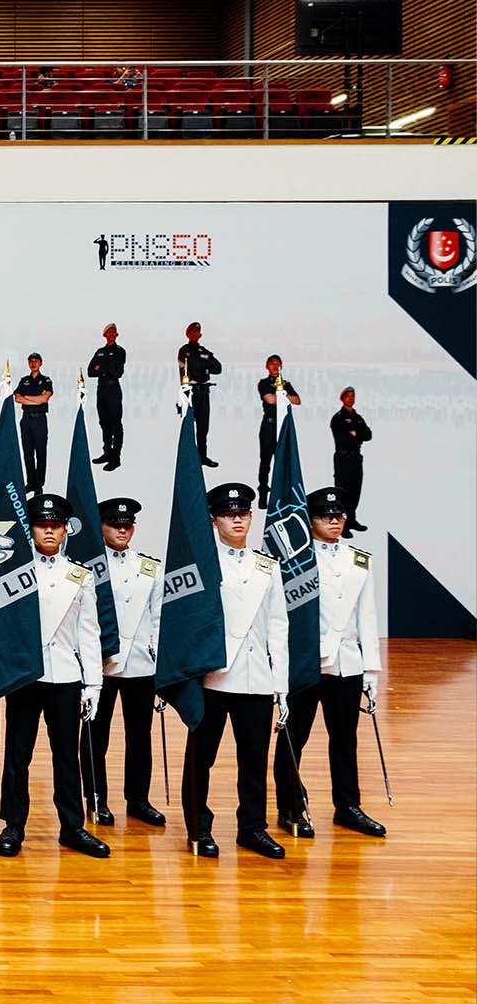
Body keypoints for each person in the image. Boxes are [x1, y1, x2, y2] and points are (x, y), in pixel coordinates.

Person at [0, 493, 108, 859]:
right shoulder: (14, 572)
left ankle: (72, 827)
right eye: (43, 525)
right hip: (25, 674)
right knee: (18, 753)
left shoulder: (80, 575)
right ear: (32, 529)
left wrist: (94, 682)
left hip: (66, 675)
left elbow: (89, 631)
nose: (49, 531)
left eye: (56, 525)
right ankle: (13, 824)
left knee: (66, 756)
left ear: (65, 530)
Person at [182, 482, 290, 860]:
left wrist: (281, 686)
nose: (238, 520)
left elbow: (278, 626)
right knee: (201, 758)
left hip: (255, 675)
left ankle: (252, 828)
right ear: (213, 520)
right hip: (212, 676)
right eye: (229, 514)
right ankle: (198, 827)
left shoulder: (267, 566)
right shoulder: (202, 563)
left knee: (254, 758)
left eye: (243, 513)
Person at [273, 488, 387, 839]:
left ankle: (348, 806)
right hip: (305, 663)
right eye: (325, 514)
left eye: (339, 514)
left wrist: (370, 670)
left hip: (345, 663)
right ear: (310, 520)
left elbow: (366, 617)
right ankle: (290, 806)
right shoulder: (294, 561)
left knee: (345, 739)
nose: (334, 519)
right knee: (294, 737)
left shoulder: (359, 559)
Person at [85, 497, 165, 827]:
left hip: (140, 666)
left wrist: (160, 665)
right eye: (115, 524)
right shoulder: (88, 567)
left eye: (127, 524)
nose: (122, 529)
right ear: (101, 527)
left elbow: (158, 616)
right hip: (101, 664)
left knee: (139, 735)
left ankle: (139, 799)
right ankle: (95, 799)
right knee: (94, 736)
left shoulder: (150, 567)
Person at [255, 354, 303, 508]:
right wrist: (282, 396)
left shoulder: (286, 384)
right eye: (272, 364)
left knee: (282, 462)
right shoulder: (264, 383)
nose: (276, 367)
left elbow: (297, 400)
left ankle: (281, 495)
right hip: (269, 427)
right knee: (265, 462)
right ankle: (263, 494)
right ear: (267, 366)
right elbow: (270, 400)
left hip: (283, 427)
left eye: (278, 364)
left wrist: (283, 394)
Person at [178, 322, 223, 467]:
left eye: (197, 332)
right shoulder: (184, 351)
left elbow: (218, 368)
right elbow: (187, 370)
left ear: (200, 335)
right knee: (189, 426)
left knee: (203, 427)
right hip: (190, 391)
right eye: (192, 332)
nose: (194, 334)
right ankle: (189, 457)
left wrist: (203, 368)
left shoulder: (204, 351)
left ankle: (202, 457)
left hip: (204, 391)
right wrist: (203, 366)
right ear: (187, 334)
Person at [331, 387, 372, 536]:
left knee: (355, 490)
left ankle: (352, 520)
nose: (351, 398)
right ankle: (343, 524)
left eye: (353, 395)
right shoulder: (338, 418)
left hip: (356, 457)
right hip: (343, 458)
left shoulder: (358, 417)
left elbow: (368, 434)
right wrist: (355, 434)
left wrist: (356, 433)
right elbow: (342, 437)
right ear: (342, 398)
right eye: (348, 396)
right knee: (344, 492)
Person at [12, 353, 54, 492]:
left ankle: (39, 485)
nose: (33, 363)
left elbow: (45, 399)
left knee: (41, 453)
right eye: (30, 361)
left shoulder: (46, 380)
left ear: (41, 363)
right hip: (26, 419)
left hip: (40, 419)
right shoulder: (24, 380)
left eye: (36, 361)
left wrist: (27, 397)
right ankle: (30, 482)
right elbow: (17, 398)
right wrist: (36, 398)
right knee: (28, 452)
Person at [87, 323, 126, 469]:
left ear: (116, 335)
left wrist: (101, 368)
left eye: (113, 332)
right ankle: (107, 452)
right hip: (101, 389)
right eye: (108, 333)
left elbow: (117, 371)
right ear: (104, 335)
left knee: (116, 423)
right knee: (104, 423)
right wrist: (106, 369)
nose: (110, 335)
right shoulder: (100, 351)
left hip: (113, 389)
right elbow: (90, 371)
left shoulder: (120, 351)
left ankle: (116, 458)